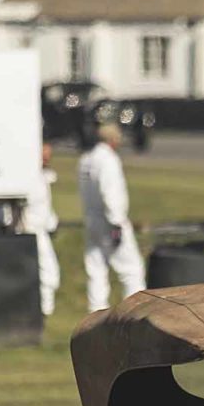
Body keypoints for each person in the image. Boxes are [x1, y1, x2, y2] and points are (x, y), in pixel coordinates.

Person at [78, 124, 145, 311]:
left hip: (92, 219)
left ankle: (95, 314)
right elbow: (110, 192)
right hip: (110, 222)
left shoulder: (86, 159)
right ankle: (135, 314)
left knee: (96, 269)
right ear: (113, 140)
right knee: (131, 270)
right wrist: (116, 223)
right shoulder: (108, 160)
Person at [21, 143, 60, 316]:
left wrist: (52, 223)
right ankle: (44, 311)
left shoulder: (42, 176)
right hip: (29, 230)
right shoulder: (28, 176)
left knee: (48, 274)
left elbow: (45, 206)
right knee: (49, 274)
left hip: (40, 230)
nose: (46, 158)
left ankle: (42, 310)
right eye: (43, 154)